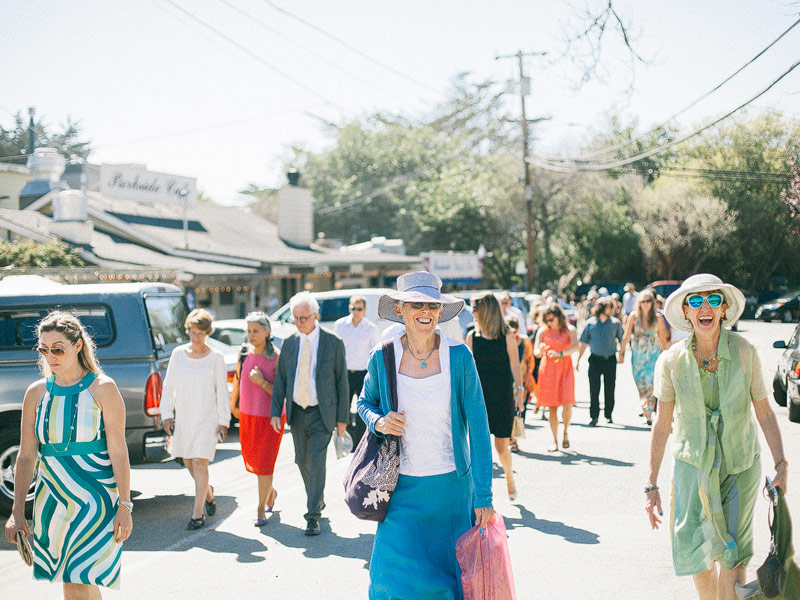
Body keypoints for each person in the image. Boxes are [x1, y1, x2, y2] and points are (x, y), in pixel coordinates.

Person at [646, 274, 789, 600]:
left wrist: (781, 463)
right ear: (686, 310)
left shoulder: (744, 352)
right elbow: (662, 424)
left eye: (713, 300)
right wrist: (651, 482)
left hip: (739, 465)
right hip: (692, 467)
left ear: (724, 309)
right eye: (696, 301)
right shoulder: (671, 360)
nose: (705, 307)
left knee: (732, 553)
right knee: (697, 552)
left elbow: (765, 413)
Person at [358, 271, 494, 599]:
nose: (425, 311)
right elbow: (364, 403)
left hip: (451, 491)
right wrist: (378, 421)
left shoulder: (459, 357)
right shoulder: (383, 356)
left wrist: (484, 495)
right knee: (391, 581)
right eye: (416, 303)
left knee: (447, 584)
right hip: (401, 489)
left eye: (432, 305)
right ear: (401, 309)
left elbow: (479, 427)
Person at [4, 311, 132, 596]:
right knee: (76, 579)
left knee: (80, 578)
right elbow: (26, 457)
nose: (51, 356)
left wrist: (125, 505)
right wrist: (17, 511)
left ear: (77, 346)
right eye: (44, 349)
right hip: (52, 501)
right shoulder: (36, 393)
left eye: (58, 348)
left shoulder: (103, 388)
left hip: (96, 501)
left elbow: (119, 451)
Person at [270, 292, 349, 537]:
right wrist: (276, 412)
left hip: (321, 413)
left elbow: (342, 382)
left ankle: (312, 515)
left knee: (316, 461)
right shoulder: (290, 343)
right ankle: (317, 498)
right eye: (296, 318)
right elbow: (281, 381)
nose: (300, 322)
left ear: (315, 316)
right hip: (297, 413)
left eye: (304, 317)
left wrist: (342, 420)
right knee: (300, 460)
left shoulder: (333, 342)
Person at [161, 308, 230, 530]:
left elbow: (222, 391)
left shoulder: (216, 357)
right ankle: (208, 493)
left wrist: (224, 421)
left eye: (199, 332)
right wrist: (166, 414)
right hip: (184, 417)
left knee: (200, 462)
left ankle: (197, 514)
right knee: (189, 462)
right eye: (192, 332)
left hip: (207, 418)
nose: (195, 337)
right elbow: (168, 385)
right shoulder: (178, 354)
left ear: (207, 332)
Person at [466, 292, 524, 501]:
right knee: (479, 448)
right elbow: (468, 370)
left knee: (501, 446)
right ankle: (482, 495)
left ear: (486, 311)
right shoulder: (472, 336)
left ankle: (509, 477)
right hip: (478, 398)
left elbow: (515, 364)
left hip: (502, 396)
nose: (472, 312)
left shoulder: (507, 335)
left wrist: (520, 391)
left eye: (475, 308)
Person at [230, 312, 283, 526]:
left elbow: (280, 392)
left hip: (270, 418)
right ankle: (270, 492)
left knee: (265, 464)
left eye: (255, 331)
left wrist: (261, 382)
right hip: (247, 415)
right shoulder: (243, 353)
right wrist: (232, 406)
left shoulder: (277, 356)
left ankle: (261, 509)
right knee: (255, 462)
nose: (251, 335)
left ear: (266, 332)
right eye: (249, 330)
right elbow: (236, 381)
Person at [618, 289, 670, 425]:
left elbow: (663, 338)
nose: (646, 303)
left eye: (648, 301)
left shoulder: (658, 318)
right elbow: (626, 336)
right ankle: (645, 407)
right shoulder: (634, 317)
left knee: (652, 384)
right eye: (643, 301)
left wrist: (667, 356)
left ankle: (649, 413)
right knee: (640, 384)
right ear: (639, 303)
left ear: (652, 303)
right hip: (638, 357)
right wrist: (621, 353)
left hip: (654, 356)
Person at [334, 294, 380, 448]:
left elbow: (374, 353)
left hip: (363, 374)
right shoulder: (340, 325)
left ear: (365, 309)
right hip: (345, 373)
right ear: (349, 308)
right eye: (353, 308)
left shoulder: (371, 328)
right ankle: (348, 440)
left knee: (362, 409)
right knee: (344, 408)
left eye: (359, 309)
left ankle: (360, 443)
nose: (356, 311)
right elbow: (336, 351)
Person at [534, 304, 579, 451]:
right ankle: (555, 440)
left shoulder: (569, 330)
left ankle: (565, 432)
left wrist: (560, 354)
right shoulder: (542, 331)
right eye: (546, 320)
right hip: (548, 371)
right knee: (551, 407)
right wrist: (540, 350)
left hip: (565, 369)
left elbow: (576, 347)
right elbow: (536, 352)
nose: (549, 323)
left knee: (567, 404)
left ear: (559, 317)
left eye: (551, 319)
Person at [577, 298, 624, 426]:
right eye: (609, 307)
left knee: (610, 388)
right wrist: (578, 360)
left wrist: (622, 354)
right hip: (595, 360)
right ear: (601, 308)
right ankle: (594, 416)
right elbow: (583, 343)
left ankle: (608, 414)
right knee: (594, 389)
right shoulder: (590, 323)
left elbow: (622, 340)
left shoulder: (615, 323)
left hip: (610, 359)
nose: (611, 310)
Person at [507, 316, 535, 452]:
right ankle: (509, 437)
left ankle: (515, 440)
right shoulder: (503, 340)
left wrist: (529, 375)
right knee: (508, 409)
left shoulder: (524, 341)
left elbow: (530, 360)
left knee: (519, 410)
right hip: (506, 379)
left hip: (522, 379)